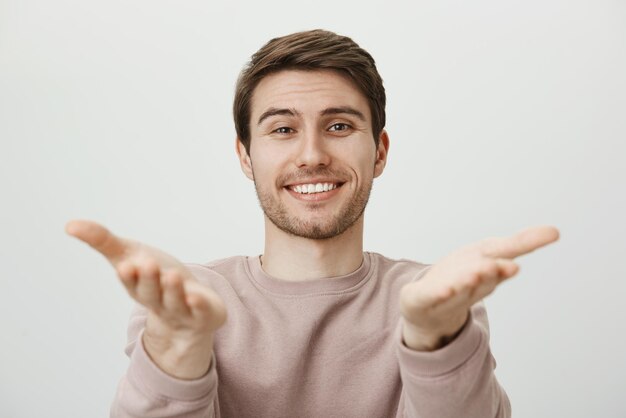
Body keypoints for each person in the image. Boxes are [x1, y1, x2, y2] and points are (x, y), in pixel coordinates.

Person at [66, 29, 559, 418]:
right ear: (245, 156)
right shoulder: (189, 300)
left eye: (339, 126)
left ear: (379, 151)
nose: (312, 155)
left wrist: (436, 342)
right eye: (282, 129)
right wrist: (177, 347)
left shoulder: (437, 298)